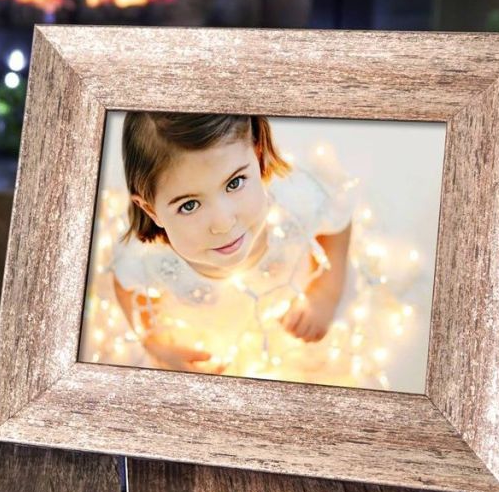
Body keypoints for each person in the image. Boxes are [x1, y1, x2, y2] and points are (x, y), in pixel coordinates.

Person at [107, 112, 355, 379]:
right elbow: (125, 286)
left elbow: (338, 218)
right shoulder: (148, 257)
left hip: (287, 332)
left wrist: (325, 294)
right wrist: (154, 343)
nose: (223, 223)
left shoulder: (296, 202)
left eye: (234, 183)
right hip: (215, 342)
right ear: (151, 209)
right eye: (189, 205)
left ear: (258, 155)